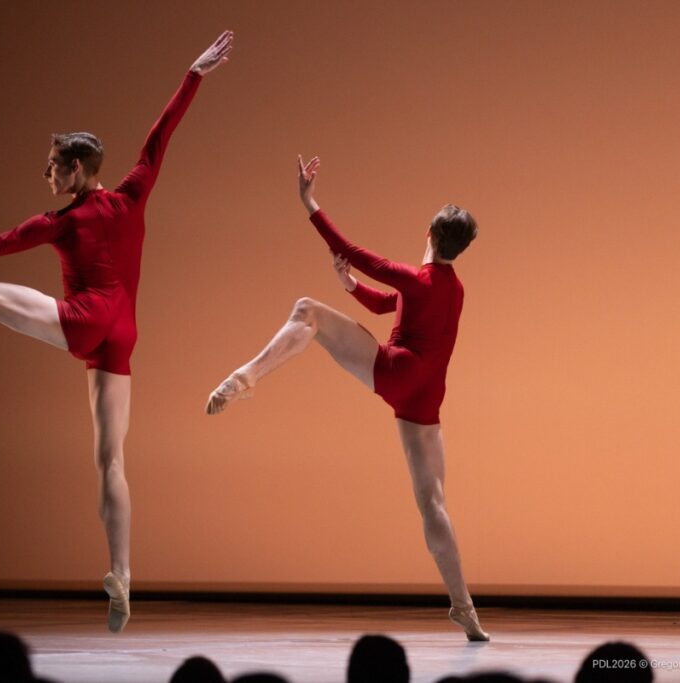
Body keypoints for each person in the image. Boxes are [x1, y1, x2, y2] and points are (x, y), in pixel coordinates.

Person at [0, 31, 234, 633]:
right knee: (111, 461)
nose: (46, 174)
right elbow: (159, 136)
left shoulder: (60, 222)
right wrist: (193, 74)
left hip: (86, 320)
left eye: (52, 166)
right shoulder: (132, 195)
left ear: (77, 169)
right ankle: (123, 575)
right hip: (124, 335)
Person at [206, 156, 489, 641]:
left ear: (428, 232)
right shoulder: (453, 289)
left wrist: (309, 202)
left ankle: (245, 378)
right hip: (427, 397)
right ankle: (464, 607)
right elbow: (390, 304)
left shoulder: (416, 278)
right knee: (434, 505)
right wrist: (350, 286)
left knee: (307, 311)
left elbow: (350, 249)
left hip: (397, 372)